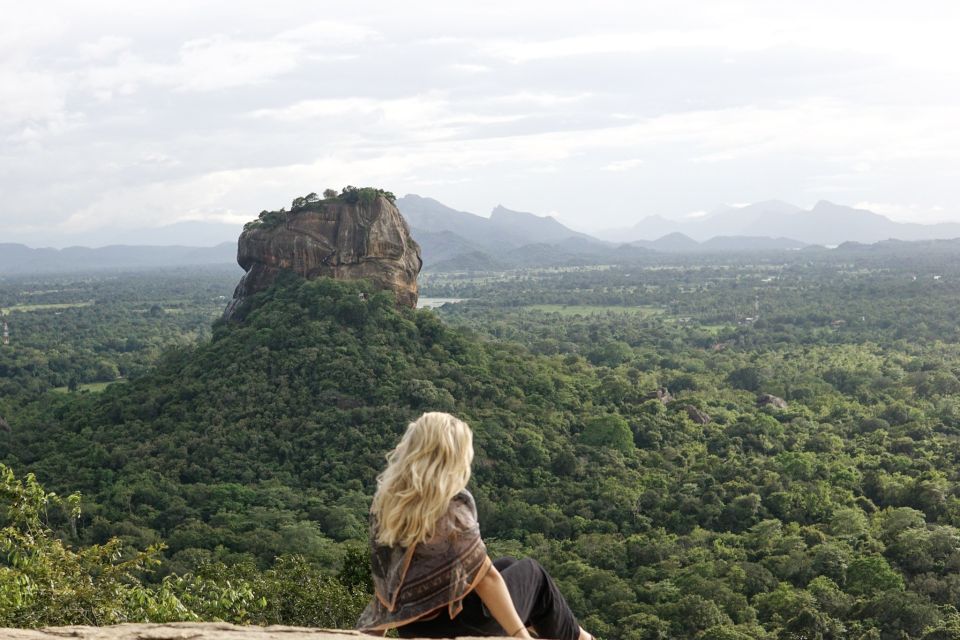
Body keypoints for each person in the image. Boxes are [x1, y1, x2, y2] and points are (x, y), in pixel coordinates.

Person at [356, 412, 592, 640]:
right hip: (459, 625)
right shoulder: (452, 505)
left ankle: (576, 635)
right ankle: (581, 638)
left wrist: (375, 631)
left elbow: (386, 578)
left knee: (508, 564)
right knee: (533, 574)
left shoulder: (387, 500)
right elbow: (486, 578)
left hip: (412, 626)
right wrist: (519, 636)